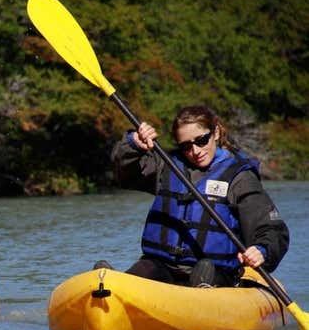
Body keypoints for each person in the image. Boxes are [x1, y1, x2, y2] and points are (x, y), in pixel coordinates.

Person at [106, 105, 289, 287]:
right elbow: (124, 173)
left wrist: (262, 250)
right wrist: (133, 144)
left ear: (215, 133)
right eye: (186, 146)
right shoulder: (166, 165)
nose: (195, 151)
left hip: (216, 272)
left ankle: (199, 296)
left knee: (204, 270)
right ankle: (111, 287)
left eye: (201, 141)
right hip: (163, 265)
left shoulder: (239, 178)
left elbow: (271, 228)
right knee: (142, 271)